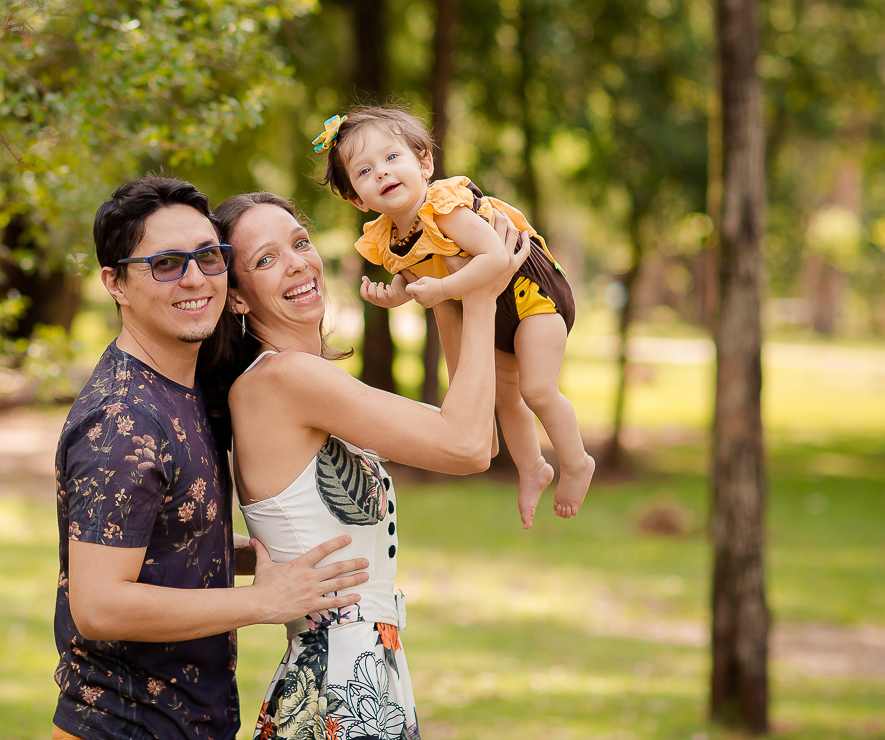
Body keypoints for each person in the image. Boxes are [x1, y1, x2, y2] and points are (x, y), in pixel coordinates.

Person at [52, 176, 371, 740]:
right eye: (167, 264)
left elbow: (163, 541)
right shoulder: (122, 421)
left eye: (209, 256)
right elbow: (99, 605)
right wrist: (260, 602)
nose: (196, 278)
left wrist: (266, 554)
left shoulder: (184, 387)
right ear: (115, 283)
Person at [209, 191, 530, 740]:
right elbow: (468, 447)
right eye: (265, 259)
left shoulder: (298, 378)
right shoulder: (286, 379)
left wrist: (451, 299)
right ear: (237, 299)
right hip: (342, 679)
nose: (297, 263)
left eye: (300, 242)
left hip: (361, 670)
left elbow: (478, 433)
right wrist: (479, 297)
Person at [314, 106, 595, 529]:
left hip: (531, 294)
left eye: (392, 158)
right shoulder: (387, 239)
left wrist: (443, 291)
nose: (383, 173)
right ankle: (532, 467)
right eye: (365, 171)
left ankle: (576, 462)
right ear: (356, 198)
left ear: (424, 162)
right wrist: (392, 298)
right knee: (506, 397)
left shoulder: (444, 208)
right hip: (492, 310)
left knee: (537, 389)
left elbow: (495, 256)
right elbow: (413, 280)